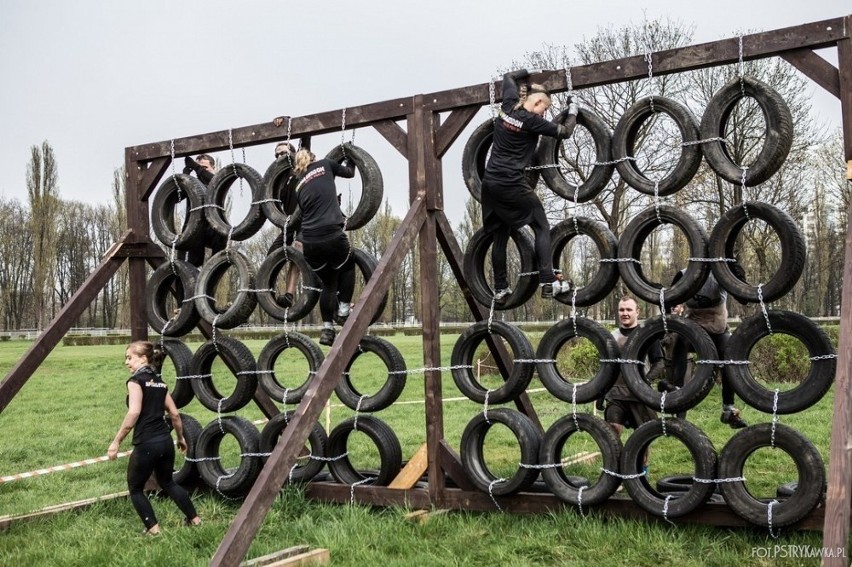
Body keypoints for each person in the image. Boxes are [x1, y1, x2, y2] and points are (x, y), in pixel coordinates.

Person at [481, 69, 577, 304]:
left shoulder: (508, 106)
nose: (546, 112)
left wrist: (527, 74)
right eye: (546, 107)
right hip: (512, 183)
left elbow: (508, 78)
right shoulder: (533, 121)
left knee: (500, 236)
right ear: (538, 101)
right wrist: (573, 109)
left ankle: (500, 289)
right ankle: (548, 281)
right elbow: (564, 132)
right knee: (541, 226)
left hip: (490, 183)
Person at [107, 341, 201, 535]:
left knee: (135, 488)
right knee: (168, 482)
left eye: (129, 357)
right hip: (165, 442)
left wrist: (116, 441)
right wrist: (181, 438)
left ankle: (153, 530)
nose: (127, 362)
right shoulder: (160, 382)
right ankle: (195, 519)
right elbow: (174, 414)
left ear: (143, 358)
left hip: (147, 443)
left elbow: (133, 413)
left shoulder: (135, 381)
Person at [292, 147, 356, 346]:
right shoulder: (326, 164)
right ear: (313, 158)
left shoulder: (298, 185)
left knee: (328, 284)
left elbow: (308, 209)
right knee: (348, 266)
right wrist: (351, 156)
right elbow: (349, 172)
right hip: (332, 234)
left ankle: (327, 329)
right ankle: (344, 311)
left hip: (309, 241)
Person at [668, 269, 748, 428]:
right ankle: (677, 398)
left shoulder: (721, 274)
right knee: (680, 339)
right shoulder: (684, 274)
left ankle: (728, 410)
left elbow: (744, 299)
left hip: (718, 329)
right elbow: (668, 300)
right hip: (694, 329)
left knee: (729, 355)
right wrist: (671, 310)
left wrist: (736, 270)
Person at [603, 296, 666, 438]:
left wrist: (646, 380)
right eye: (621, 310)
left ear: (637, 312)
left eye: (629, 310)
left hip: (639, 394)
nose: (625, 313)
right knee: (612, 431)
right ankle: (615, 460)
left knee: (643, 437)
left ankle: (640, 461)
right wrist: (601, 392)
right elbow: (606, 367)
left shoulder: (647, 335)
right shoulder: (611, 337)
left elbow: (660, 362)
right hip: (615, 394)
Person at [267, 142, 303, 308]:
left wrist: (287, 120)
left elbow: (305, 140)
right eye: (276, 155)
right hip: (288, 224)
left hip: (306, 221)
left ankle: (289, 294)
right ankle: (267, 293)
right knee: (272, 254)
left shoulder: (302, 170)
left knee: (297, 249)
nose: (279, 157)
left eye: (283, 153)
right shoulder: (278, 179)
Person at [180, 154, 226, 266]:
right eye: (198, 167)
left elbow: (213, 181)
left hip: (214, 227)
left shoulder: (218, 180)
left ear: (214, 168)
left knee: (217, 260)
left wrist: (196, 167)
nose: (201, 171)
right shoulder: (193, 185)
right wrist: (185, 174)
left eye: (205, 168)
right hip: (194, 227)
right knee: (190, 265)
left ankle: (212, 272)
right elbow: (178, 196)